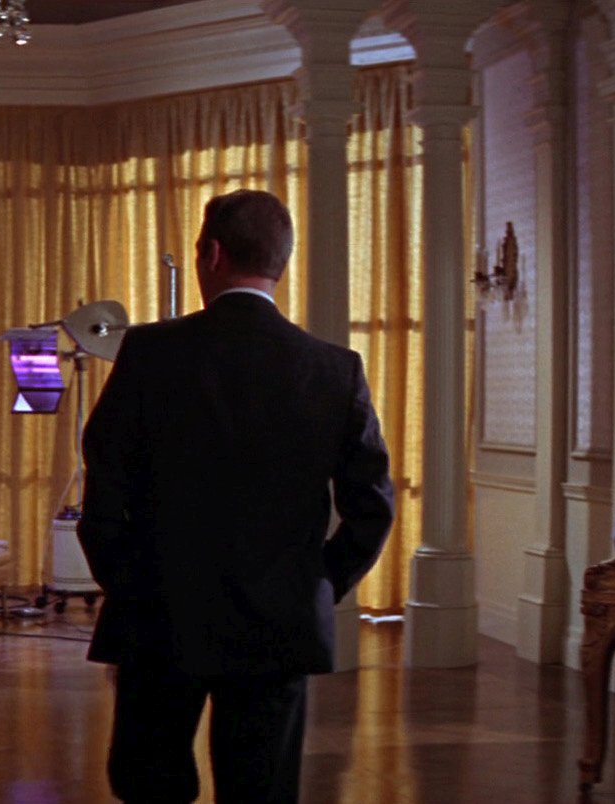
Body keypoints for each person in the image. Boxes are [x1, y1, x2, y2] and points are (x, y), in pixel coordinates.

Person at [79, 189, 395, 803]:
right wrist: (315, 584)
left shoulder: (148, 353)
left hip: (158, 613)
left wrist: (127, 581)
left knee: (150, 785)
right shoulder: (335, 369)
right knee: (261, 791)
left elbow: (104, 485)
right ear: (281, 262)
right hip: (277, 621)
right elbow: (372, 507)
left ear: (213, 254)